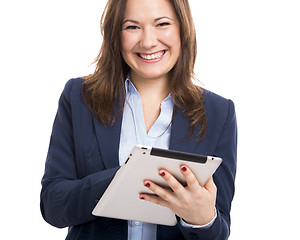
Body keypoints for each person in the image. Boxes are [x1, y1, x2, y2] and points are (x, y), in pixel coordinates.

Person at [40, 0, 237, 239]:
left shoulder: (218, 112)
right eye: (132, 27)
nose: (148, 41)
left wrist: (202, 220)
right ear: (115, 33)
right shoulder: (79, 97)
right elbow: (53, 206)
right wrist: (124, 179)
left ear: (183, 29)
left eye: (162, 24)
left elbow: (220, 228)